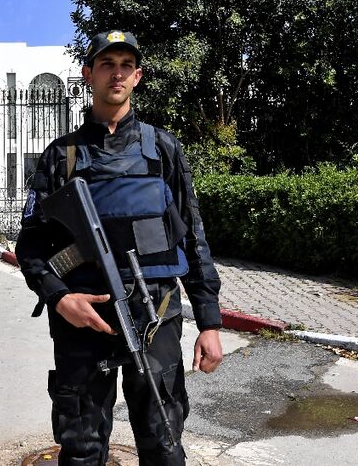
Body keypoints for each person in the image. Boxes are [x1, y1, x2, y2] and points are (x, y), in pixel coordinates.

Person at [15, 30, 223, 466]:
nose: (117, 73)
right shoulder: (61, 156)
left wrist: (209, 321)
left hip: (156, 312)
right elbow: (31, 242)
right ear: (88, 74)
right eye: (107, 64)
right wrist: (60, 297)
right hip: (85, 319)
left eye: (126, 65)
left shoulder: (163, 149)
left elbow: (191, 237)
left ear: (138, 77)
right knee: (82, 446)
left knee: (163, 441)